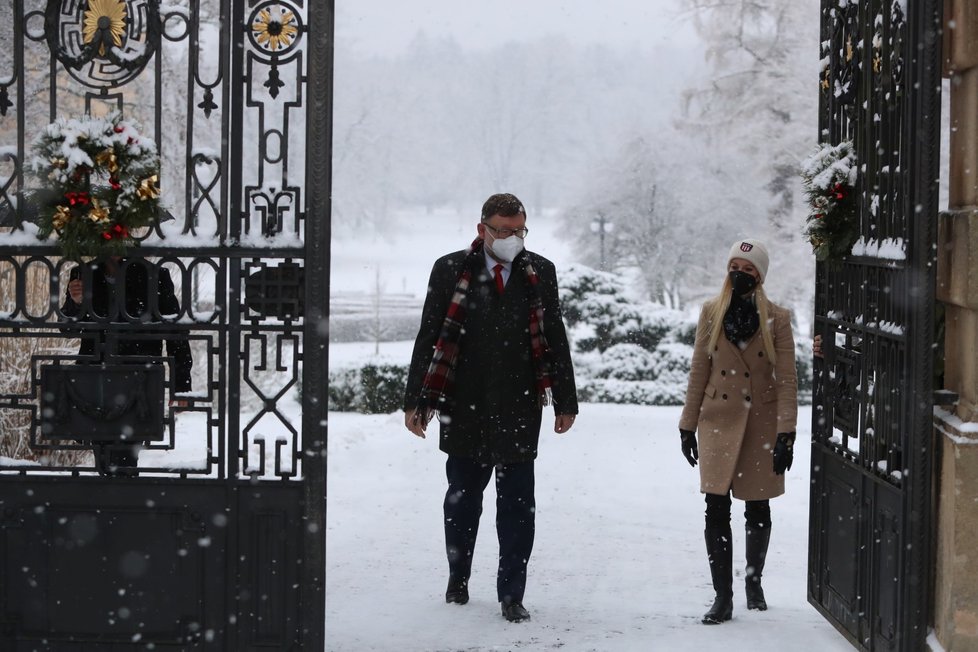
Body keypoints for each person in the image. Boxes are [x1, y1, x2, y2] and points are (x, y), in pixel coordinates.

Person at [403, 193, 578, 623]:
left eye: (518, 230)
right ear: (482, 229)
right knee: (462, 500)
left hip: (519, 405)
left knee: (518, 504)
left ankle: (511, 593)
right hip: (463, 403)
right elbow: (430, 335)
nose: (511, 238)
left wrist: (565, 399)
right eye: (502, 230)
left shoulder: (540, 272)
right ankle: (458, 575)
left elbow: (554, 336)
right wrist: (416, 401)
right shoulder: (449, 270)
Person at [678, 238, 798, 624]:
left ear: (759, 276)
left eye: (748, 269)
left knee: (757, 505)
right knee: (715, 506)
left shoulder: (777, 318)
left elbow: (787, 379)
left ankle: (753, 581)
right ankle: (722, 597)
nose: (739, 273)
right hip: (717, 419)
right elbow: (699, 369)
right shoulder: (711, 312)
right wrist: (687, 425)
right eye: (735, 266)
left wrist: (786, 433)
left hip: (759, 421)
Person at [60, 255, 192, 476]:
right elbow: (68, 330)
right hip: (95, 377)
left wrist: (181, 385)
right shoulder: (82, 273)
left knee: (126, 454)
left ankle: (119, 500)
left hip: (138, 379)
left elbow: (175, 333)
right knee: (100, 448)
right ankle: (113, 501)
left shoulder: (155, 274)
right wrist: (76, 303)